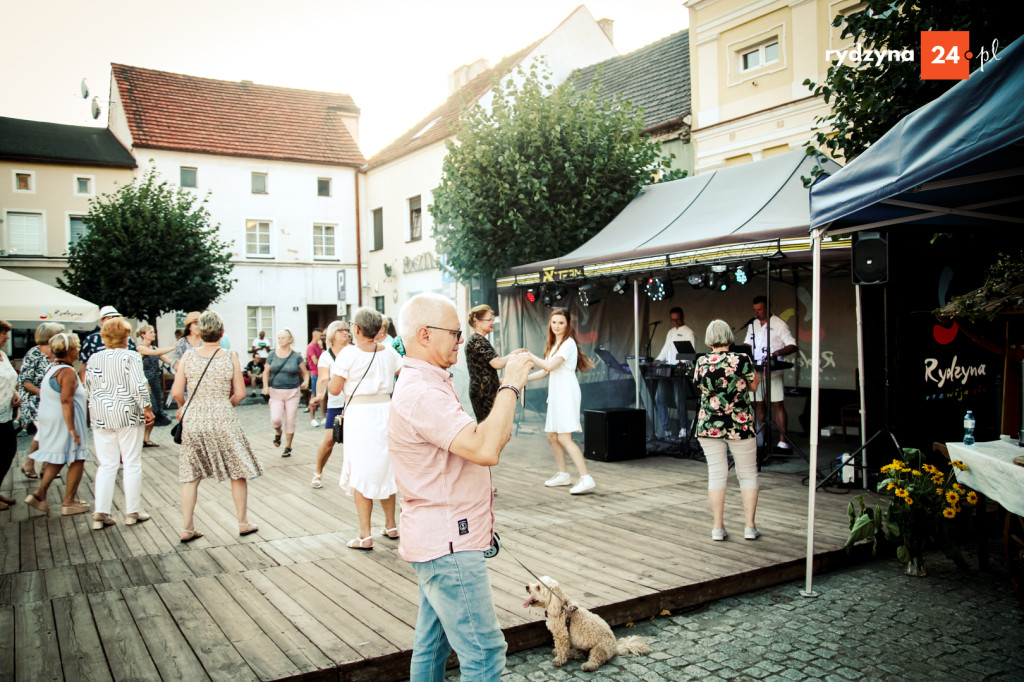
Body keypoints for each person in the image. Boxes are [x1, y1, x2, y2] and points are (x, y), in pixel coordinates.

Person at [389, 292, 533, 680]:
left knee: (432, 646)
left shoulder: (427, 381)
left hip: (439, 536)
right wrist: (512, 384)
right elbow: (486, 448)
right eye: (454, 333)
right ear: (424, 335)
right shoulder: (423, 392)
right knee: (485, 653)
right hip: (447, 541)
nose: (460, 340)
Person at [171, 310, 262, 542]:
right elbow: (240, 393)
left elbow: (175, 392)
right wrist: (226, 405)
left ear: (199, 332)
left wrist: (184, 407)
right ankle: (242, 522)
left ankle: (187, 527)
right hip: (222, 418)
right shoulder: (230, 356)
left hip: (194, 419)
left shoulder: (188, 357)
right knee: (237, 471)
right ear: (221, 333)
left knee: (190, 476)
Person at [328, 308, 403, 548]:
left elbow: (334, 389)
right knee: (385, 467)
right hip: (386, 411)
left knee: (362, 472)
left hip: (360, 416)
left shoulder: (348, 354)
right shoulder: (389, 352)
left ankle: (365, 535)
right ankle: (391, 525)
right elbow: (405, 374)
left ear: (357, 329)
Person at [694, 320, 761, 541]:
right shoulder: (742, 360)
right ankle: (749, 527)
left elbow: (700, 387)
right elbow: (753, 386)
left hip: (710, 424)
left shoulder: (702, 361)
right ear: (729, 336)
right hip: (739, 424)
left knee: (716, 475)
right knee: (748, 474)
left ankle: (717, 527)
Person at [85, 317, 155, 530]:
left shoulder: (94, 358)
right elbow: (138, 384)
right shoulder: (131, 356)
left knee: (107, 465)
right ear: (125, 337)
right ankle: (132, 511)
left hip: (101, 415)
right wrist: (147, 408)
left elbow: (88, 387)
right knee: (132, 462)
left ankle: (101, 512)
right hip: (127, 413)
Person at [527, 308, 596, 495]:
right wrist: (522, 379)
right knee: (552, 436)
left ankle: (586, 478)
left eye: (561, 323)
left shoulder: (568, 344)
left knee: (565, 438)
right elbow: (545, 371)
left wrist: (529, 355)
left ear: (568, 325)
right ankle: (563, 474)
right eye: (554, 322)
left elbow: (548, 365)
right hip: (556, 393)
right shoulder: (554, 344)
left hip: (567, 393)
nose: (556, 326)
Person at [24, 332, 90, 516]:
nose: (78, 350)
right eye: (76, 347)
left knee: (58, 457)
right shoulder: (68, 372)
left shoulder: (52, 368)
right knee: (77, 457)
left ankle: (40, 493)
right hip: (66, 420)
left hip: (52, 418)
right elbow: (66, 401)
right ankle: (69, 501)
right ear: (69, 350)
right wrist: (72, 429)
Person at [743, 295, 798, 451]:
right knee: (758, 404)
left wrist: (777, 352)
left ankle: (783, 442)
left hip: (773, 370)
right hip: (756, 370)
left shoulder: (779, 324)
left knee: (777, 404)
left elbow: (792, 345)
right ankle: (763, 440)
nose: (757, 312)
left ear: (767, 308)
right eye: (755, 310)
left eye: (759, 309)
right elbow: (747, 343)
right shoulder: (752, 324)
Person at [17, 321, 65, 479]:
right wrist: (44, 393)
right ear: (50, 337)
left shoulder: (57, 353)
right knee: (46, 431)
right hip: (34, 400)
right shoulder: (34, 353)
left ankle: (44, 467)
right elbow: (25, 381)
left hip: (52, 401)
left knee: (51, 432)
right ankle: (30, 464)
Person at [308, 320, 351, 488]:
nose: (346, 333)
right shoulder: (326, 356)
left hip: (354, 402)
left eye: (347, 330)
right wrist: (319, 395)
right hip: (336, 403)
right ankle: (318, 472)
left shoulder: (354, 351)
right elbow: (323, 378)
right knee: (329, 440)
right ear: (333, 335)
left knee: (355, 440)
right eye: (341, 331)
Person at [465, 304, 524, 421]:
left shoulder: (476, 339)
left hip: (481, 390)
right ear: (477, 321)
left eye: (493, 319)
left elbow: (484, 370)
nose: (492, 322)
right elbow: (498, 364)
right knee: (490, 429)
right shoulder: (479, 340)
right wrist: (514, 354)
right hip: (484, 392)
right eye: (489, 320)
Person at [264, 328, 309, 457]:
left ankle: (288, 447)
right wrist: (266, 387)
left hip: (292, 392)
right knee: (275, 420)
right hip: (275, 392)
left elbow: (305, 373)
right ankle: (278, 433)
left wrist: (305, 381)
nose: (280, 340)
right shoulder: (272, 355)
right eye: (279, 338)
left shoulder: (296, 356)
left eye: (283, 338)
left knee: (290, 420)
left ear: (290, 340)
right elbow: (266, 373)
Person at [654, 306, 697, 440]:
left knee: (679, 400)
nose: (676, 322)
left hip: (679, 372)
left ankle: (683, 428)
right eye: (673, 320)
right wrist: (658, 360)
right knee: (658, 398)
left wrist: (682, 362)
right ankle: (665, 429)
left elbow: (690, 354)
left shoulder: (689, 332)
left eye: (677, 319)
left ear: (682, 317)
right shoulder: (671, 332)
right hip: (667, 369)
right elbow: (665, 349)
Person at [136, 324, 175, 444]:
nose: (154, 334)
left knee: (156, 409)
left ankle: (146, 439)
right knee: (149, 409)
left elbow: (168, 361)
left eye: (153, 332)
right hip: (145, 384)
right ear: (143, 335)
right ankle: (140, 438)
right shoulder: (140, 348)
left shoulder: (154, 348)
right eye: (151, 332)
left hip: (155, 383)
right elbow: (154, 353)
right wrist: (173, 347)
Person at [78, 305, 137, 380]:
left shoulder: (127, 338)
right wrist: (84, 384)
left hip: (124, 381)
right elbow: (83, 364)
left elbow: (134, 363)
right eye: (110, 318)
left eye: (116, 318)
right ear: (102, 320)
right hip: (100, 382)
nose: (114, 321)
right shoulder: (92, 339)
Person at [0, 320, 22, 511]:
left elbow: (10, 379)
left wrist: (15, 393)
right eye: (3, 333)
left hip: (5, 414)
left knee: (8, 451)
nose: (7, 337)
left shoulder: (3, 356)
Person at [306, 328, 324, 426]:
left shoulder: (318, 346)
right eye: (320, 335)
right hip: (315, 373)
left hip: (321, 373)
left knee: (322, 395)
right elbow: (315, 361)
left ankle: (323, 416)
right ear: (315, 335)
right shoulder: (311, 347)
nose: (321, 337)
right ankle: (312, 418)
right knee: (313, 394)